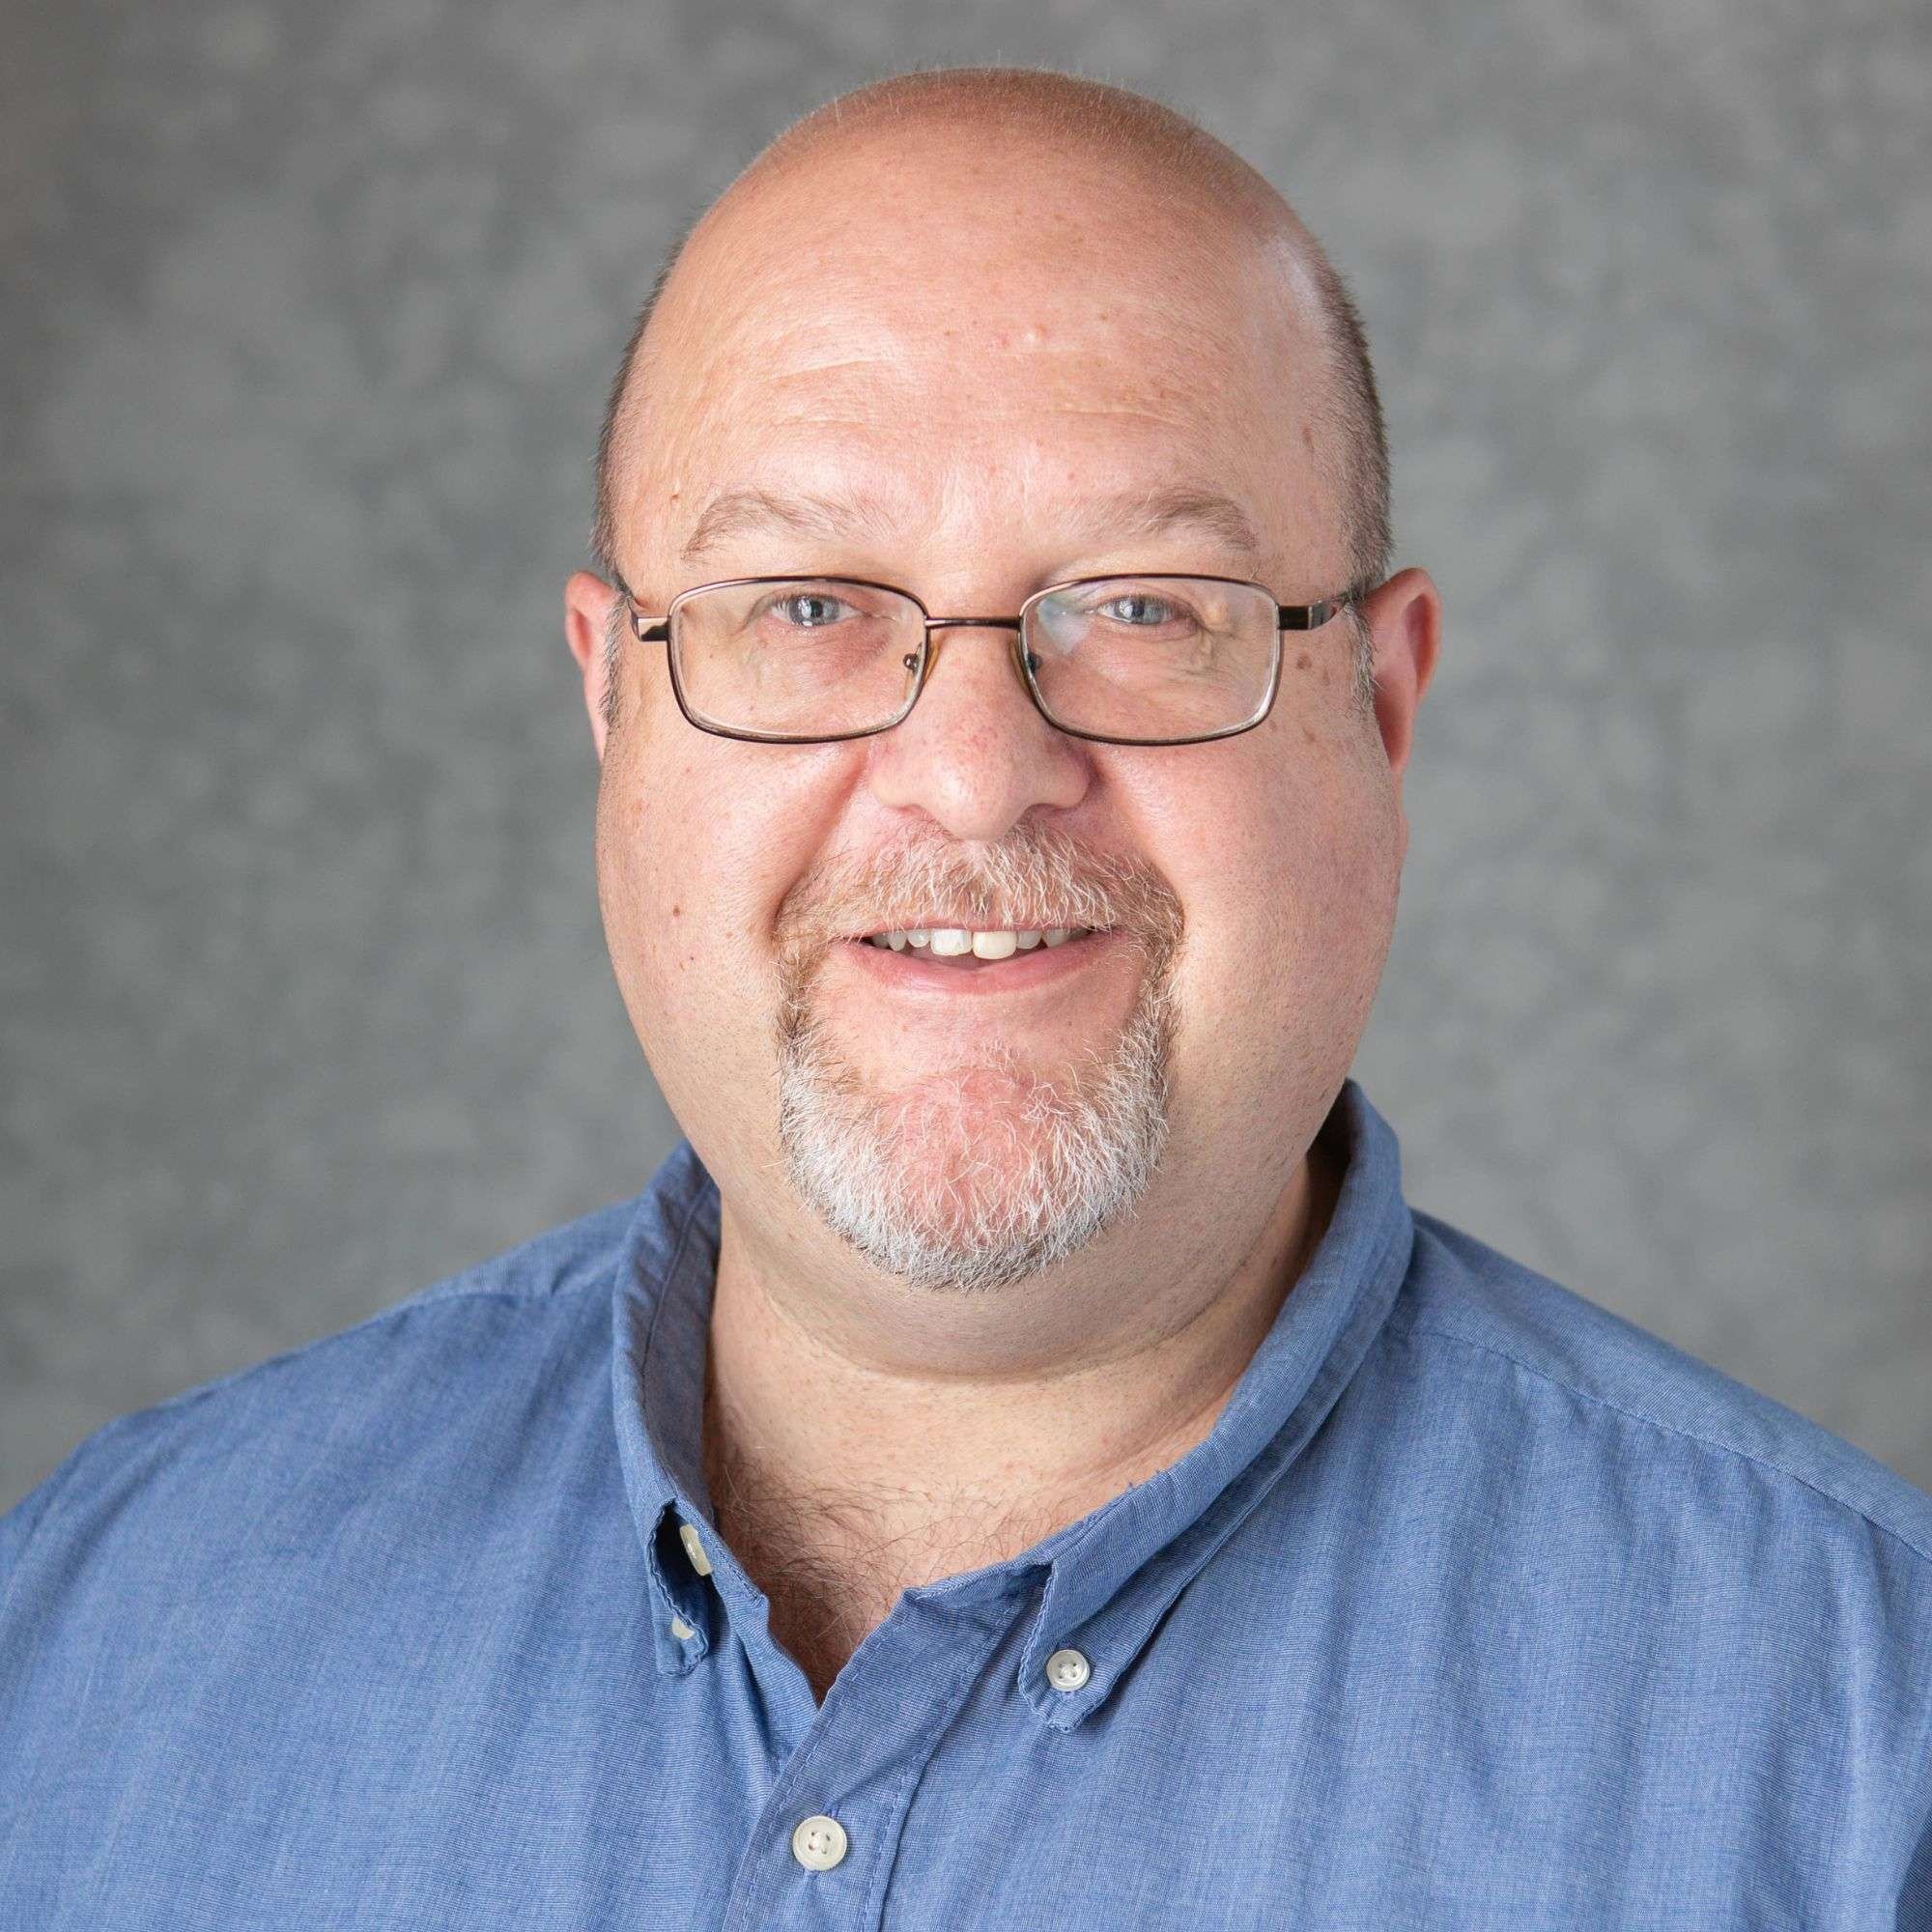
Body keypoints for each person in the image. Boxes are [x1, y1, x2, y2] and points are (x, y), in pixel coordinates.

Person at [3, 63, 1927, 1930]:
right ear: (611, 698)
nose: (972, 770)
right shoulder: (100, 1629)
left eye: (1148, 608)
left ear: (1381, 701)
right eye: (809, 608)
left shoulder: (1859, 1749)